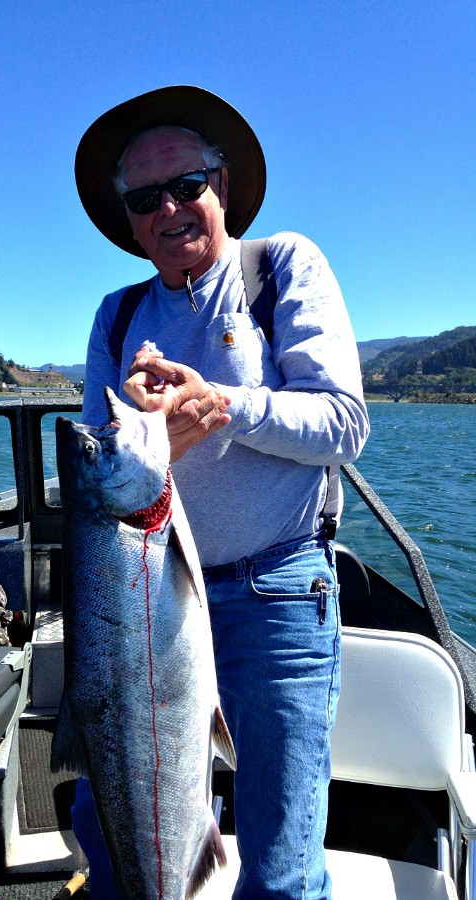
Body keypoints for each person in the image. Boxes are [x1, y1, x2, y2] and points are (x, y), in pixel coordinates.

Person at [73, 85, 369, 899]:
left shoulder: (282, 268)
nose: (169, 208)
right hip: (150, 610)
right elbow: (104, 450)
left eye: (187, 185)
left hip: (279, 593)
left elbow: (345, 422)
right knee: (112, 831)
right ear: (129, 221)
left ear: (224, 187)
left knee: (279, 867)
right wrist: (140, 418)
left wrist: (223, 406)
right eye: (144, 198)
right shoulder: (116, 314)